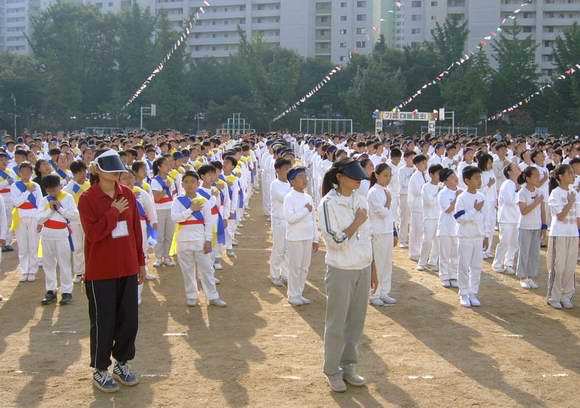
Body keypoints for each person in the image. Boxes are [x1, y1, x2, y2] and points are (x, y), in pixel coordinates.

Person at [78, 149, 144, 393]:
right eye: (111, 170)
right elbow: (93, 234)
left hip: (127, 267)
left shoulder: (127, 193)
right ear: (98, 171)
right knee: (103, 321)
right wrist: (113, 211)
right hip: (100, 272)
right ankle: (100, 369)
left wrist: (140, 262)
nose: (117, 173)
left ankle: (122, 363)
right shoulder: (87, 199)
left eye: (118, 169)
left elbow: (136, 230)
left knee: (129, 321)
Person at [318, 159, 377, 393]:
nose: (358, 181)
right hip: (340, 269)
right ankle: (332, 370)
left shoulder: (360, 200)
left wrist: (372, 268)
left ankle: (349, 366)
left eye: (360, 178)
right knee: (336, 323)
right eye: (354, 177)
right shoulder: (328, 203)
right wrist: (356, 222)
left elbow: (368, 236)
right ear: (339, 176)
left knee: (355, 322)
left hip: (361, 267)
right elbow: (335, 242)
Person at [170, 170, 227, 307]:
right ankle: (191, 296)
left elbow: (208, 223)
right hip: (183, 241)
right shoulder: (178, 201)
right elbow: (176, 218)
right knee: (187, 271)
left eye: (193, 182)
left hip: (200, 241)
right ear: (182, 184)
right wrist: (191, 209)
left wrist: (208, 241)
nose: (189, 185)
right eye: (186, 182)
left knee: (207, 270)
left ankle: (212, 296)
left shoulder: (204, 201)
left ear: (197, 183)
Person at [36, 175, 78, 305]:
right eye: (49, 189)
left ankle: (66, 291)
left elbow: (74, 216)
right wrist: (50, 209)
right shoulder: (44, 200)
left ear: (60, 186)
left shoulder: (68, 198)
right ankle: (51, 290)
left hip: (61, 234)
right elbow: (39, 219)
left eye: (55, 188)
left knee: (64, 263)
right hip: (47, 234)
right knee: (48, 264)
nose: (52, 192)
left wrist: (59, 208)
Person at [283, 166, 319, 306]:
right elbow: (290, 218)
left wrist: (315, 238)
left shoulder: (308, 197)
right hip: (295, 237)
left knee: (304, 267)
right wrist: (305, 210)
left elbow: (313, 219)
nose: (305, 179)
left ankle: (299, 292)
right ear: (292, 181)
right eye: (301, 177)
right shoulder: (289, 197)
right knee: (295, 267)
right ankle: (292, 295)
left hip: (307, 236)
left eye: (305, 176)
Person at [546, 164, 579, 309]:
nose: (573, 175)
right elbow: (560, 216)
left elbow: (577, 217)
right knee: (558, 266)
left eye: (573, 173)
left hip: (572, 234)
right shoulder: (555, 193)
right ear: (560, 176)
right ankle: (554, 297)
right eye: (570, 173)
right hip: (558, 233)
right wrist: (570, 202)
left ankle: (566, 295)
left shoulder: (574, 192)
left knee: (570, 267)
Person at [454, 166, 485, 308]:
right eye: (476, 178)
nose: (479, 180)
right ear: (467, 180)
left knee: (476, 266)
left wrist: (483, 233)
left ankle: (473, 292)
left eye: (480, 177)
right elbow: (459, 218)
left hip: (477, 237)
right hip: (465, 237)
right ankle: (464, 293)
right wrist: (474, 210)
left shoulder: (482, 196)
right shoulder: (461, 198)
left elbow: (483, 217)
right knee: (464, 266)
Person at [367, 163, 397, 307]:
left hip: (387, 231)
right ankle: (375, 293)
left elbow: (391, 215)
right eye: (385, 175)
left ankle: (384, 291)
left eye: (389, 175)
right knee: (377, 263)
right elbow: (382, 212)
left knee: (387, 263)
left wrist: (394, 230)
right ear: (377, 175)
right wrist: (389, 203)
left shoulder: (387, 190)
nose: (388, 178)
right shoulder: (373, 192)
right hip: (377, 231)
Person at [10, 161, 43, 282]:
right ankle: (24, 270)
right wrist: (27, 192)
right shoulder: (15, 186)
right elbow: (17, 202)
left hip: (34, 216)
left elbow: (39, 203)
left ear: (31, 172)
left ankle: (32, 270)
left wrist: (40, 220)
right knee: (23, 245)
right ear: (19, 173)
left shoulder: (36, 186)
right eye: (23, 171)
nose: (26, 174)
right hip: (20, 217)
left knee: (33, 244)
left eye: (28, 171)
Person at [515, 166, 545, 290]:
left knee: (534, 253)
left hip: (536, 226)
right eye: (535, 176)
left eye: (539, 175)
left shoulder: (539, 191)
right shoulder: (522, 192)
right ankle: (523, 277)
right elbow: (524, 211)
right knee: (524, 252)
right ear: (527, 178)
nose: (538, 178)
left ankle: (530, 277)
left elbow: (542, 210)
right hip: (525, 227)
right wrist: (536, 202)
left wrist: (544, 226)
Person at [64, 160, 90, 283]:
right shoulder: (68, 188)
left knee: (88, 245)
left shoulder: (90, 185)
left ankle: (89, 270)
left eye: (84, 171)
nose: (83, 174)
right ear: (74, 173)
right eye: (80, 172)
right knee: (77, 246)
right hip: (74, 221)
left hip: (88, 220)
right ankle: (79, 272)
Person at [492, 163, 521, 274]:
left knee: (514, 243)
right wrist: (520, 194)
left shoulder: (516, 185)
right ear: (509, 172)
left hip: (515, 218)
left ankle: (508, 263)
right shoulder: (508, 183)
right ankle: (497, 264)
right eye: (515, 168)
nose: (518, 169)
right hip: (506, 218)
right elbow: (510, 201)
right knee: (504, 242)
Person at [269, 158, 292, 287]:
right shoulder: (274, 184)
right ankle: (274, 274)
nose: (288, 171)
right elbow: (286, 199)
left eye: (289, 168)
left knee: (288, 249)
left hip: (289, 221)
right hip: (279, 220)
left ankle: (285, 274)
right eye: (285, 169)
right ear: (278, 170)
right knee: (279, 248)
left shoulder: (290, 184)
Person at [437, 169, 460, 288]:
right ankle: (444, 276)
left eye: (454, 175)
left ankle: (453, 275)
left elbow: (461, 211)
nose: (455, 178)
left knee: (455, 254)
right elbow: (448, 210)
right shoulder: (443, 193)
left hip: (457, 228)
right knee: (445, 254)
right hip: (445, 228)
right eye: (451, 177)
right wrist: (457, 198)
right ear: (445, 181)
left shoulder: (461, 191)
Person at [151, 156, 176, 267]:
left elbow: (175, 195)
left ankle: (167, 256)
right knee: (160, 235)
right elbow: (156, 198)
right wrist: (165, 188)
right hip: (160, 210)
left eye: (169, 164)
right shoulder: (155, 180)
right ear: (159, 167)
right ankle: (158, 257)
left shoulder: (171, 179)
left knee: (169, 234)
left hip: (171, 209)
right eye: (165, 164)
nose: (168, 166)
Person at [417, 164, 442, 271]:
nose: (439, 176)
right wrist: (439, 193)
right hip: (429, 217)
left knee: (438, 241)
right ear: (431, 174)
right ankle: (422, 263)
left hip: (439, 217)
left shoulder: (442, 187)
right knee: (427, 240)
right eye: (437, 173)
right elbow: (429, 202)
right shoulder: (426, 187)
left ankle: (433, 261)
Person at [407, 154, 429, 261]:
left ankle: (420, 250)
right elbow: (417, 191)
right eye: (423, 163)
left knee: (422, 230)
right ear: (417, 164)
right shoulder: (415, 176)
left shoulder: (425, 175)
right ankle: (414, 252)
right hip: (416, 206)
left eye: (426, 163)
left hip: (423, 206)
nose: (425, 165)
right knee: (416, 230)